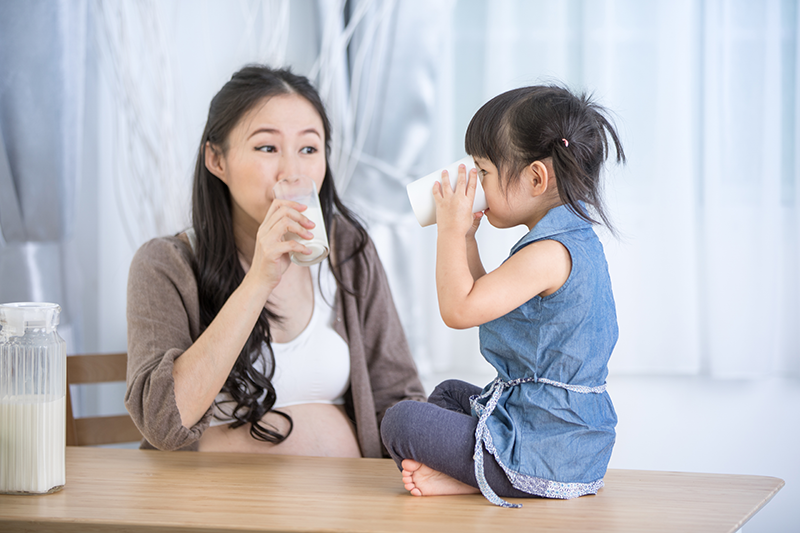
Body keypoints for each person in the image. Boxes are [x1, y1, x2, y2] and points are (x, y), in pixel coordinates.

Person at [125, 65, 425, 457]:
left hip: (346, 510)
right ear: (217, 160)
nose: (293, 171)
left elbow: (398, 395)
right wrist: (259, 280)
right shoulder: (165, 264)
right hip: (211, 512)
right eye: (267, 148)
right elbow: (163, 422)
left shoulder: (349, 250)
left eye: (309, 148)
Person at [381, 85, 625, 507]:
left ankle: (485, 476)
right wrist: (466, 241)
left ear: (535, 178)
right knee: (449, 394)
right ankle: (472, 475)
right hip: (557, 433)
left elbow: (459, 310)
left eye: (483, 171)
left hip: (548, 447)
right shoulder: (569, 240)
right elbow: (481, 300)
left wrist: (449, 231)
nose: (474, 181)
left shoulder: (549, 253)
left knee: (401, 420)